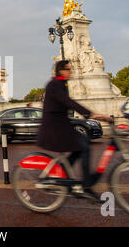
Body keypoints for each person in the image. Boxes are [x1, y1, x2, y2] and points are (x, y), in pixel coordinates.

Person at [37, 60, 112, 202]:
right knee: (85, 148)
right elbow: (68, 102)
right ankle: (86, 186)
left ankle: (63, 175)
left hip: (62, 125)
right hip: (55, 128)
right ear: (60, 71)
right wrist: (90, 114)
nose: (70, 72)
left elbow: (67, 102)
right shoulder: (54, 85)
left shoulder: (62, 84)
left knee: (82, 145)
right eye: (67, 69)